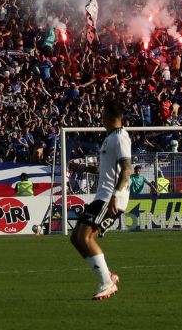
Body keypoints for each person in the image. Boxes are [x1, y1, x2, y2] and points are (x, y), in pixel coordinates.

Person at [70, 98, 130, 301]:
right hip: (102, 196)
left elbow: (127, 169)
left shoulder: (121, 137)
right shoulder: (110, 138)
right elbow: (108, 169)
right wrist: (84, 168)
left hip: (110, 197)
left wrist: (115, 195)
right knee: (76, 238)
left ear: (107, 115)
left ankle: (107, 282)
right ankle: (108, 276)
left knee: (85, 237)